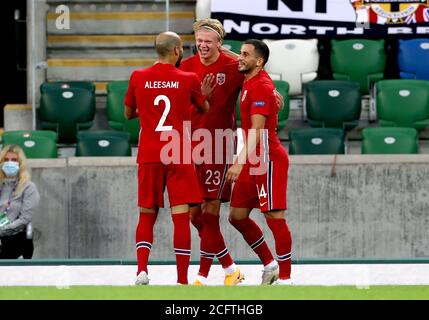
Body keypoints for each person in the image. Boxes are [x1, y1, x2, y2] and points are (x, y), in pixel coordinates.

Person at [124, 31, 213, 285]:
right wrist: (202, 94)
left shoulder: (138, 76)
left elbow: (128, 112)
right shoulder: (189, 78)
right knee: (180, 216)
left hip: (150, 152)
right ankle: (182, 280)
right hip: (177, 152)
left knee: (146, 214)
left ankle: (142, 270)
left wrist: (150, 108)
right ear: (176, 50)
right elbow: (204, 109)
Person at [179, 18, 245, 286]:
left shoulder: (232, 65)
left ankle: (203, 276)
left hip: (218, 145)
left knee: (211, 212)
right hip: (190, 145)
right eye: (199, 40)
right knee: (195, 215)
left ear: (219, 42)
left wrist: (273, 93)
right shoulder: (186, 67)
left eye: (208, 41)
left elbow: (257, 73)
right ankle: (230, 268)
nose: (202, 45)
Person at [226, 39, 293, 285]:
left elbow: (256, 129)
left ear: (259, 61)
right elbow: (242, 60)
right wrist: (221, 48)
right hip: (253, 159)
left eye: (245, 55)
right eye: (240, 53)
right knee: (237, 216)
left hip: (267, 158)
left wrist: (238, 163)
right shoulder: (253, 78)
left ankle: (286, 280)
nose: (239, 58)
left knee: (275, 216)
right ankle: (270, 264)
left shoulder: (261, 86)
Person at [0, 144, 40, 259]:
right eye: (6, 160)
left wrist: (1, 231)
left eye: (14, 160)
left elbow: (24, 219)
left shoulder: (29, 187)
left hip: (16, 238)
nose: (9, 163)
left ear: (20, 163)